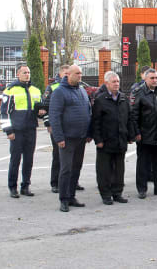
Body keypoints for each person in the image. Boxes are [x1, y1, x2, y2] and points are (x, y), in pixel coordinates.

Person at [49, 65, 92, 212]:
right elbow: (54, 116)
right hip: (67, 138)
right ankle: (64, 199)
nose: (80, 76)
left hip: (80, 137)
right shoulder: (59, 92)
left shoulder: (81, 90)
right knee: (66, 169)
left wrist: (88, 133)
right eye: (77, 73)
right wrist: (59, 137)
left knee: (76, 168)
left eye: (81, 73)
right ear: (67, 75)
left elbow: (88, 111)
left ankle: (72, 196)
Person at [0, 64, 44, 198]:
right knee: (15, 160)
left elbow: (40, 111)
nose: (27, 74)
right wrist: (9, 131)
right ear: (18, 74)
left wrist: (42, 113)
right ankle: (12, 187)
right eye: (24, 72)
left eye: (28, 72)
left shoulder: (35, 90)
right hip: (17, 130)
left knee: (29, 160)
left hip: (30, 129)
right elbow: (4, 113)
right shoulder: (10, 90)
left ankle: (26, 186)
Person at [92, 71, 134, 205]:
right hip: (105, 142)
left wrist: (131, 135)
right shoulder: (100, 100)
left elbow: (129, 119)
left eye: (118, 82)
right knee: (104, 170)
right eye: (113, 82)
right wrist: (98, 140)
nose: (116, 84)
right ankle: (106, 195)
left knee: (119, 170)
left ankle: (117, 193)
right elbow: (95, 122)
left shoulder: (123, 98)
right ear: (106, 84)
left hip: (120, 140)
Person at [132, 68, 157, 198]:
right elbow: (133, 116)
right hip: (144, 134)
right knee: (143, 163)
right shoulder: (138, 93)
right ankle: (142, 189)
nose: (155, 80)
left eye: (156, 78)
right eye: (152, 78)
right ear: (145, 78)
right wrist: (136, 133)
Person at [42, 65, 69, 193]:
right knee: (58, 154)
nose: (68, 74)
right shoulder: (52, 87)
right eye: (65, 72)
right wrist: (48, 124)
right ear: (60, 73)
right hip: (57, 126)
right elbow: (46, 107)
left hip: (70, 127)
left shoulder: (76, 86)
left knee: (72, 156)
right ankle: (55, 182)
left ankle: (72, 181)